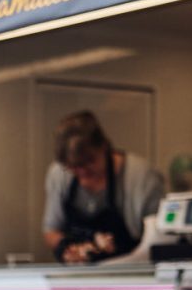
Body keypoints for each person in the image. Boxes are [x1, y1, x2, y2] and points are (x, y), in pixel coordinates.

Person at [43, 111, 166, 264]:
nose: (82, 172)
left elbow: (158, 241)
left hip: (130, 277)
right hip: (76, 279)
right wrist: (67, 249)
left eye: (88, 162)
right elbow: (51, 230)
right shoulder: (58, 174)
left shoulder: (143, 177)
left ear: (104, 146)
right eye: (73, 167)